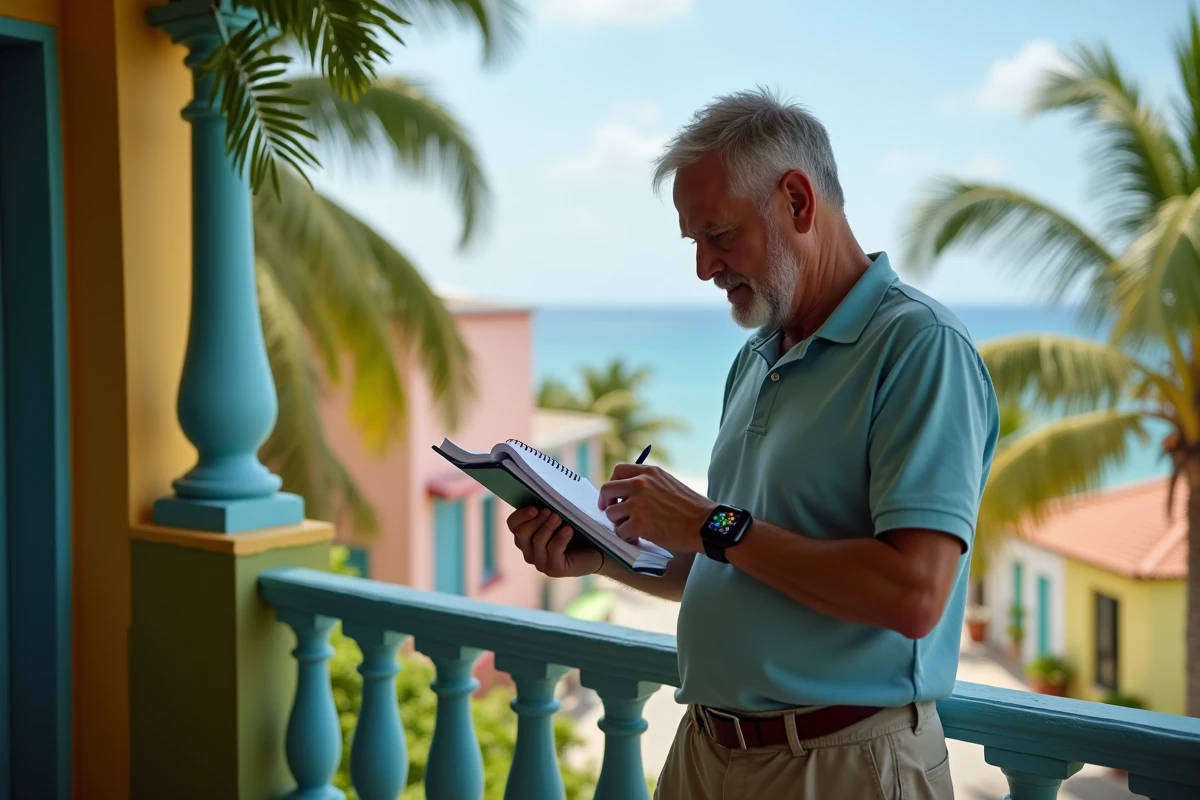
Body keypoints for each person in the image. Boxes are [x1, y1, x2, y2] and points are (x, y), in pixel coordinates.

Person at [507, 88, 998, 800]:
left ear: (797, 201)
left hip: (839, 765)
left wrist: (710, 522)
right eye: (694, 242)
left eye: (718, 234)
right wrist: (604, 556)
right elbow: (736, 563)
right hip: (707, 752)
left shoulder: (921, 348)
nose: (704, 267)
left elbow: (913, 594)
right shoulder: (757, 356)